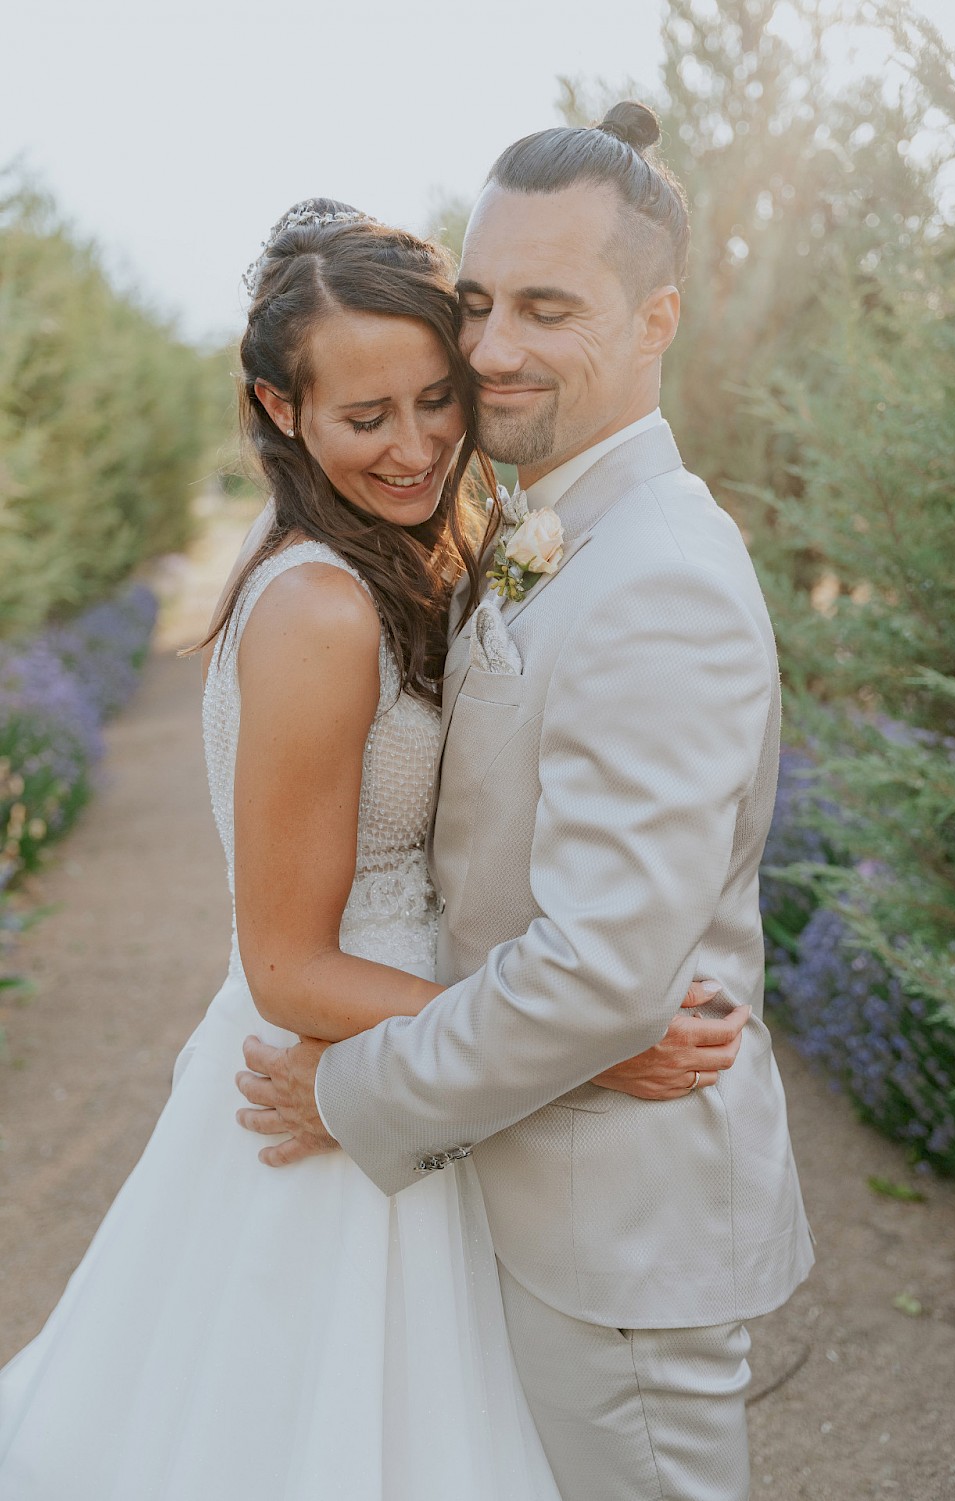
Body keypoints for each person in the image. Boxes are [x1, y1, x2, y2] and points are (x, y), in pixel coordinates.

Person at [0, 196, 734, 1500]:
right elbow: (285, 965)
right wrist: (591, 1041)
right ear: (280, 409)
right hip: (336, 1076)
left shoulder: (385, 553)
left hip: (415, 1069)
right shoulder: (322, 607)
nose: (417, 446)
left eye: (436, 398)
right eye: (365, 416)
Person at [237, 105, 815, 1501]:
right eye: (480, 300)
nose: (487, 349)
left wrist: (347, 1089)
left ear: (656, 316)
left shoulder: (659, 575)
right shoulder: (547, 523)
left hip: (615, 1228)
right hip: (522, 1177)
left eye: (547, 307)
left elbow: (603, 978)